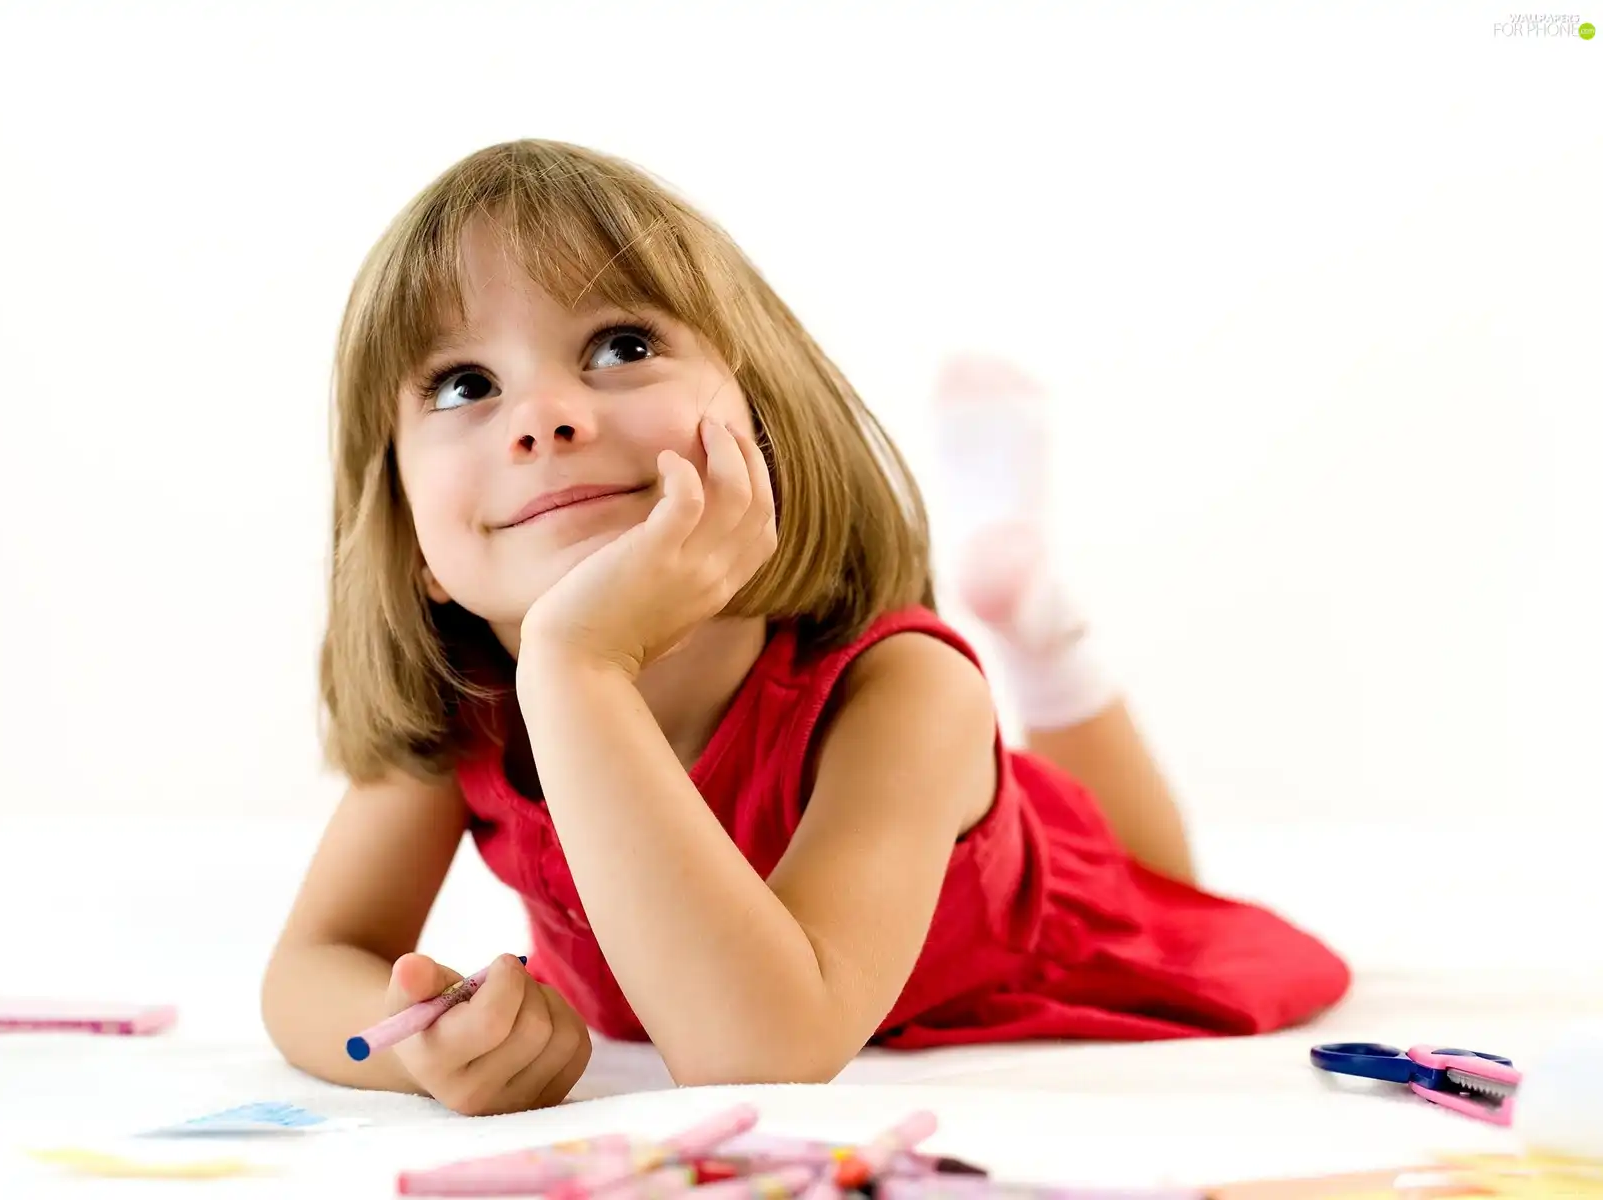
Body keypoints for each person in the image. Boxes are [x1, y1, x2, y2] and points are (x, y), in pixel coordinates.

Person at [262, 139, 1350, 1116]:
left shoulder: (905, 692)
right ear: (408, 538)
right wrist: (419, 1047)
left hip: (1044, 925)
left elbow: (756, 1051)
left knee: (1147, 875)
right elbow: (312, 967)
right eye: (464, 384)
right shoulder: (472, 713)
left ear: (764, 427)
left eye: (621, 345)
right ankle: (1020, 601)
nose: (547, 415)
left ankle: (1035, 630)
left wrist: (577, 662)